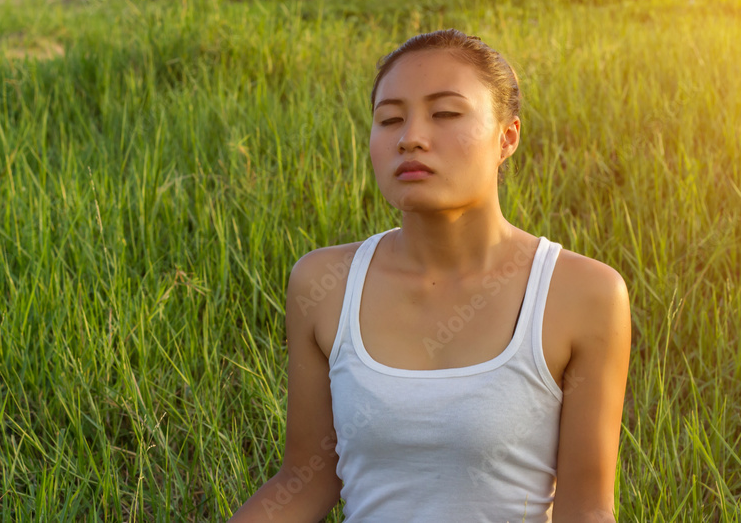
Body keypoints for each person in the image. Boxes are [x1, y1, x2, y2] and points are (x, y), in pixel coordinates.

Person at [229, 29, 632, 522]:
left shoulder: (584, 293)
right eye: (389, 119)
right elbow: (307, 479)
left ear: (507, 137)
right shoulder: (324, 282)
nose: (410, 138)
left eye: (445, 114)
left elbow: (586, 509)